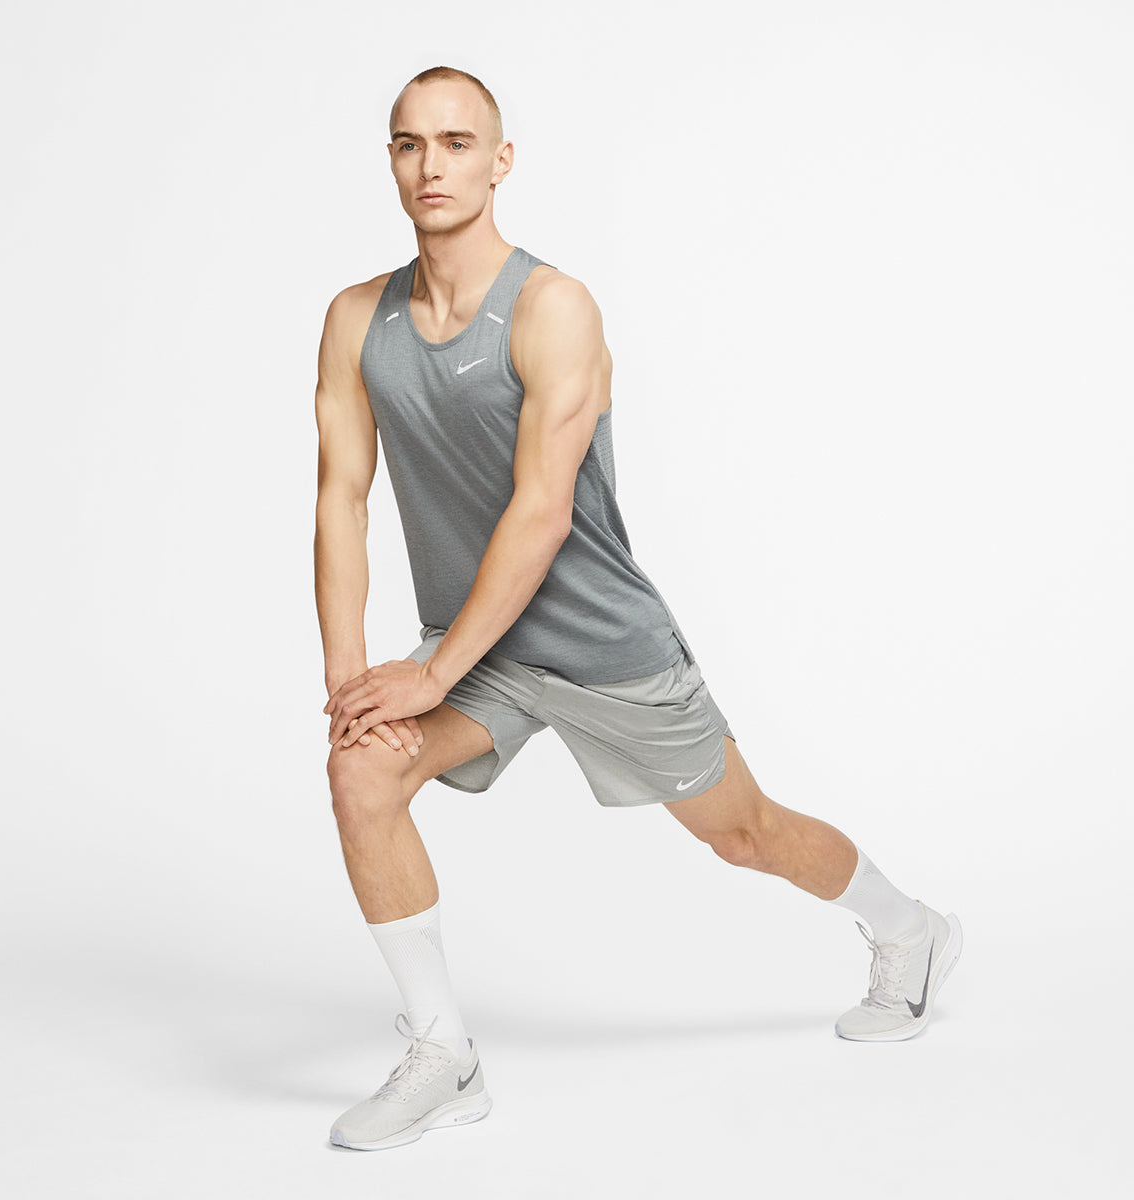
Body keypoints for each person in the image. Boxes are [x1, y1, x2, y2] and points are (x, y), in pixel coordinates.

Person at [313, 66, 962, 1152]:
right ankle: (443, 1053)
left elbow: (540, 514)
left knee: (746, 836)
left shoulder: (553, 308)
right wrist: (350, 684)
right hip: (478, 654)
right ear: (390, 160)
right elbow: (340, 496)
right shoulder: (353, 319)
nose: (433, 166)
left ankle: (913, 930)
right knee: (360, 770)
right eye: (411, 144)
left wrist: (427, 672)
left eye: (459, 143)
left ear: (500, 161)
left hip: (597, 641)